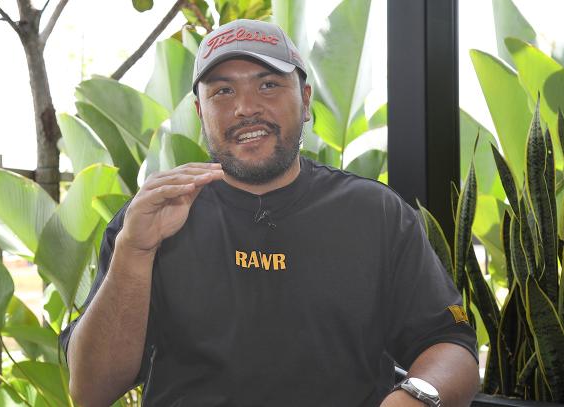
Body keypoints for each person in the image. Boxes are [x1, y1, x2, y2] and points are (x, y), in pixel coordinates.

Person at [60, 19, 479, 407]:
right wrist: (134, 251)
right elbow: (91, 390)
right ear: (201, 113)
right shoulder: (151, 218)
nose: (246, 108)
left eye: (268, 85)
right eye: (223, 92)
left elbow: (451, 345)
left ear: (305, 99)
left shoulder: (375, 213)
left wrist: (413, 399)